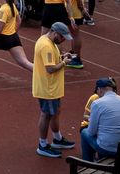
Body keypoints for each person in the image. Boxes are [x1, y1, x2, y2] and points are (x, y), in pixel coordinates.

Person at [32, 22, 77, 158]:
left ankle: (57, 138)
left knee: (55, 112)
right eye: (62, 37)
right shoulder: (47, 46)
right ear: (55, 33)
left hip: (51, 87)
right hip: (48, 88)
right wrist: (64, 63)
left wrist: (62, 58)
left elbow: (51, 62)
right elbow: (50, 69)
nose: (63, 40)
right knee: (47, 115)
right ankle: (43, 145)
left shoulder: (48, 42)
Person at [81, 77, 120, 162]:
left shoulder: (97, 103)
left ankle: (87, 163)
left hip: (109, 149)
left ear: (99, 90)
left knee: (84, 132)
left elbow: (91, 132)